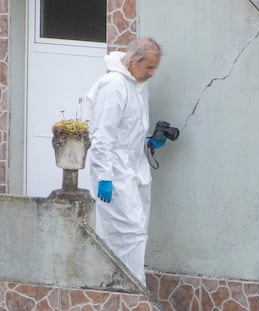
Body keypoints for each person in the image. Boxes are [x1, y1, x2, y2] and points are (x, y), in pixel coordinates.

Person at [86, 38, 164, 286]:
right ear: (133, 61)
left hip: (135, 166)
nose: (152, 74)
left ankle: (130, 288)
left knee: (137, 231)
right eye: (149, 67)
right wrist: (104, 177)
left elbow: (128, 130)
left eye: (155, 68)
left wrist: (149, 141)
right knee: (127, 232)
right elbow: (102, 136)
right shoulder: (114, 86)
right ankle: (131, 291)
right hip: (116, 169)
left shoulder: (138, 84)